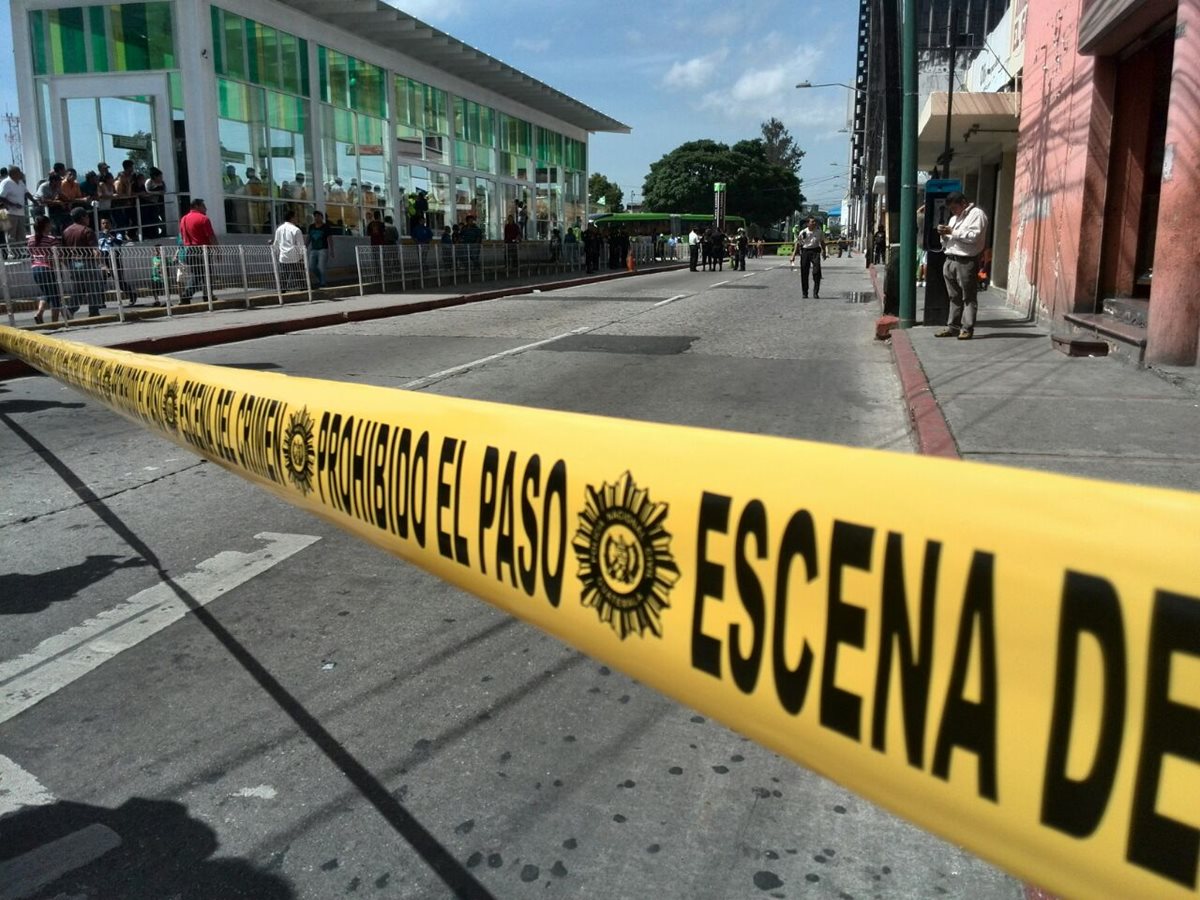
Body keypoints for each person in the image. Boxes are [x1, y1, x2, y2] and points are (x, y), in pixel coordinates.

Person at [935, 191, 990, 340]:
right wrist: (944, 235)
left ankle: (967, 327)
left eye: (954, 208)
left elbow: (973, 237)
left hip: (965, 261)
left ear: (963, 203)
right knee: (953, 296)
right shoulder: (954, 218)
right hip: (950, 259)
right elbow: (950, 239)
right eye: (951, 209)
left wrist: (952, 232)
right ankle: (953, 326)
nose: (953, 212)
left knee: (968, 297)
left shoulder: (976, 215)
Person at [61, 205, 104, 316]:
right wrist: (101, 264)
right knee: (94, 287)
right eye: (87, 216)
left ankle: (70, 310)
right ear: (82, 217)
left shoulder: (66, 232)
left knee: (79, 288)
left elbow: (64, 253)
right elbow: (95, 251)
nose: (88, 219)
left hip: (73, 264)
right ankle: (94, 311)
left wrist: (68, 266)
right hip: (87, 262)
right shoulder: (87, 231)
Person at [179, 197, 217, 303]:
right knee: (204, 274)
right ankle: (189, 294)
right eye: (203, 206)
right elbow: (211, 236)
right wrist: (217, 250)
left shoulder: (184, 219)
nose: (206, 209)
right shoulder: (203, 219)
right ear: (197, 206)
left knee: (198, 273)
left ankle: (207, 294)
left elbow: (182, 236)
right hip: (202, 250)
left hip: (189, 250)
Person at [27, 216, 62, 324]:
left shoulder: (31, 239)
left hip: (35, 268)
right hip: (47, 268)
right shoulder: (51, 239)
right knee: (55, 295)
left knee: (47, 292)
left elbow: (30, 253)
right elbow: (58, 255)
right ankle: (54, 322)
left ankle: (39, 313)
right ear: (46, 225)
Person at [98, 216, 138, 306]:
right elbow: (99, 248)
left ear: (110, 224)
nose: (105, 225)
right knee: (102, 281)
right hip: (104, 258)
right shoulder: (100, 236)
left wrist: (110, 235)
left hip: (114, 258)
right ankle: (101, 302)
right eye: (103, 223)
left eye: (107, 223)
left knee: (119, 280)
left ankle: (132, 295)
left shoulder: (116, 234)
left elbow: (119, 243)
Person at [0, 166, 35, 256]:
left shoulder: (20, 182)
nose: (20, 173)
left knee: (21, 233)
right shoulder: (5, 182)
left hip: (20, 212)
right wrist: (13, 204)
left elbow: (26, 192)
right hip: (7, 212)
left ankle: (21, 252)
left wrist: (34, 201)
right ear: (12, 173)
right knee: (10, 234)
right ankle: (12, 253)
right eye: (18, 172)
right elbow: (1, 197)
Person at [272, 208, 306, 291]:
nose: (297, 219)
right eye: (296, 217)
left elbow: (276, 243)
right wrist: (302, 257)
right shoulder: (296, 230)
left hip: (283, 256)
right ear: (292, 218)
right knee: (298, 274)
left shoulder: (279, 229)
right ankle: (303, 289)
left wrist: (276, 254)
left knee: (284, 275)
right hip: (294, 256)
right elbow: (300, 245)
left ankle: (282, 289)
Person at [796, 217, 826, 298]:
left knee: (817, 272)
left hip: (815, 251)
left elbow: (822, 242)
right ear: (808, 224)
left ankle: (816, 292)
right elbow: (798, 243)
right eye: (812, 222)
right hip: (805, 251)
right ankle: (805, 292)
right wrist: (794, 254)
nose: (814, 223)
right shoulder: (803, 232)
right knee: (804, 272)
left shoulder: (819, 232)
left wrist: (824, 252)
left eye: (815, 222)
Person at [306, 210, 332, 289]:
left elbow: (329, 238)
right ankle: (321, 279)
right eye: (315, 216)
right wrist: (305, 246)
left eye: (318, 216)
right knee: (312, 266)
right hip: (314, 249)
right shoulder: (311, 227)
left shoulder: (326, 227)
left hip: (323, 249)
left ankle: (323, 283)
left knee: (321, 266)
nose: (316, 218)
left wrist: (331, 250)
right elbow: (309, 237)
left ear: (321, 217)